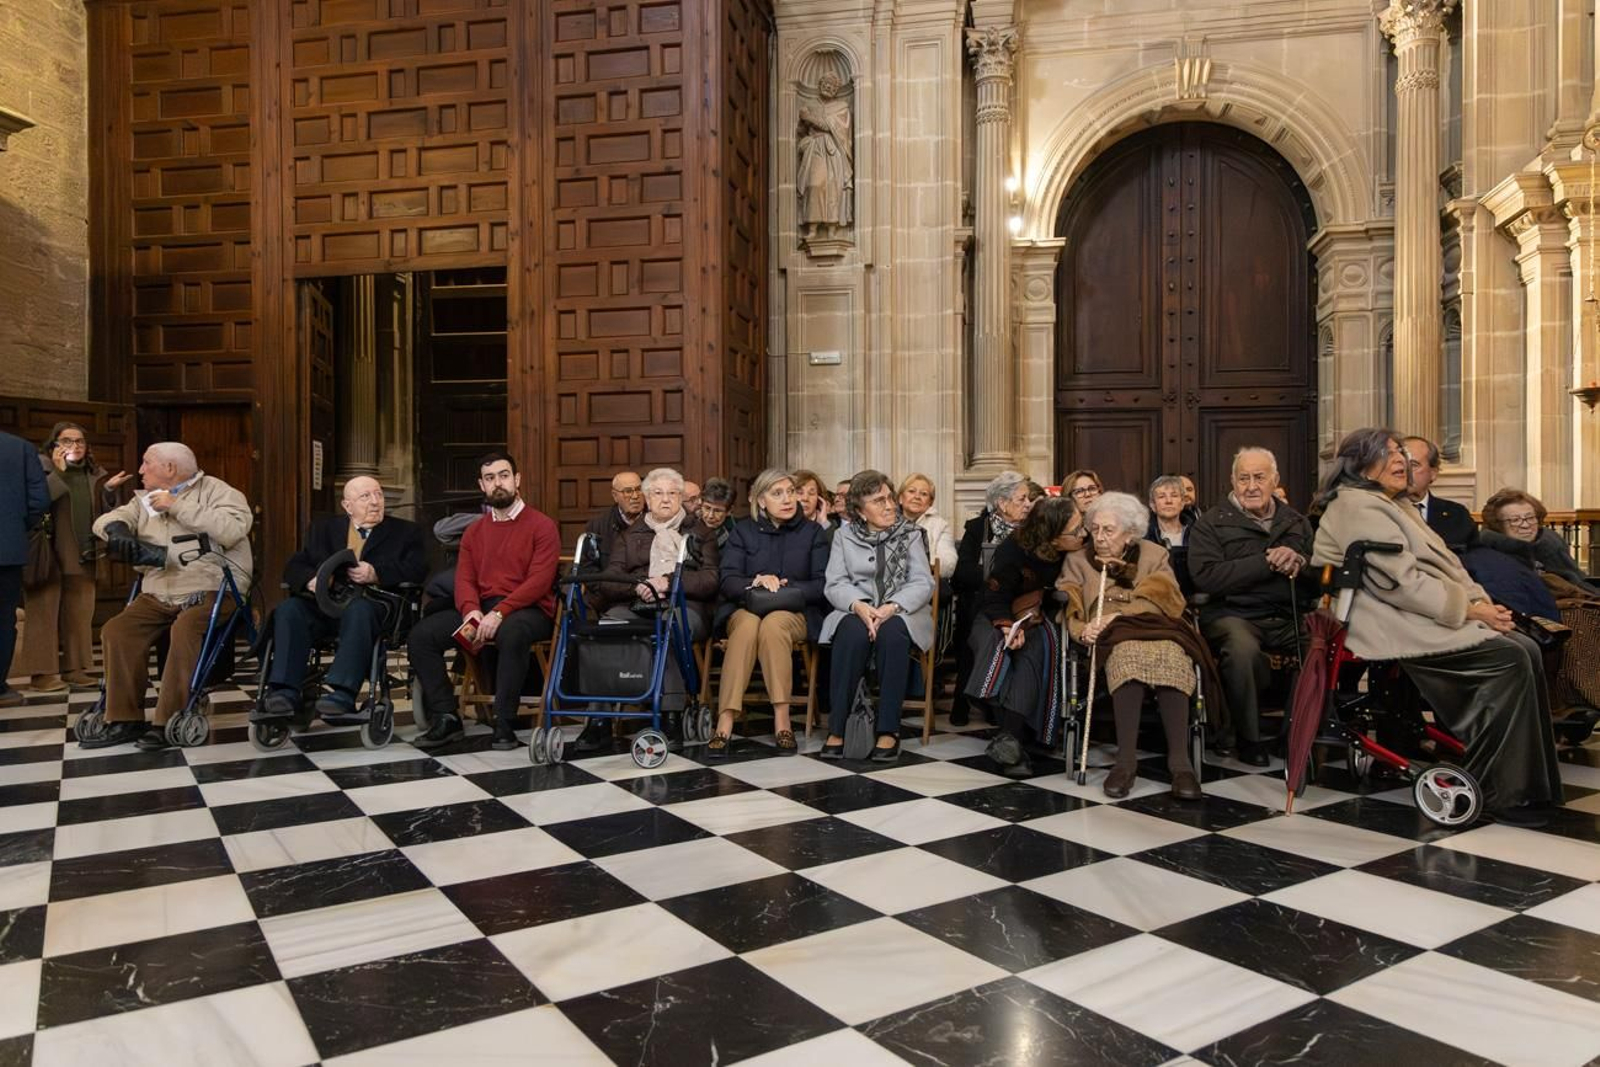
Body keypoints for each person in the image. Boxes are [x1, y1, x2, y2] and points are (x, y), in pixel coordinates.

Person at [1310, 428, 1562, 826]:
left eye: (1401, 453)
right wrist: (1473, 613)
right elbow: (1401, 585)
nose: (1400, 461)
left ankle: (1530, 787)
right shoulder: (1356, 506)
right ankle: (1496, 789)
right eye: (1389, 453)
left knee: (1526, 648)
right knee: (1509, 658)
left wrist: (1481, 603)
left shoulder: (1394, 503)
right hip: (1389, 620)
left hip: (1423, 612)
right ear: (1362, 464)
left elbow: (1451, 567)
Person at [83, 443, 252, 750]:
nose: (141, 470)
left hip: (213, 588)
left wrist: (175, 505)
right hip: (159, 591)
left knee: (185, 629)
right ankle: (124, 718)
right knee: (117, 631)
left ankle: (168, 719)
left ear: (170, 469)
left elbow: (231, 530)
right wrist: (118, 530)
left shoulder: (219, 492)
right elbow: (103, 522)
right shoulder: (144, 500)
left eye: (147, 463)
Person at [1060, 492, 1211, 800]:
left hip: (1157, 631)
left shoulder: (1154, 555)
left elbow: (1165, 600)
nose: (1099, 537)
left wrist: (1117, 615)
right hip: (1112, 641)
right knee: (1126, 655)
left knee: (1173, 658)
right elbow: (1070, 609)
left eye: (1109, 530)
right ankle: (1125, 762)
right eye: (1095, 529)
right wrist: (1082, 630)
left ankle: (1180, 764)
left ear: (1130, 533)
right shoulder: (1077, 561)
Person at [407, 452, 560, 751]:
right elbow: (464, 579)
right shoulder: (475, 531)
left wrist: (500, 613)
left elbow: (539, 582)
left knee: (511, 632)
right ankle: (447, 717)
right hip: (483, 606)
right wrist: (471, 611)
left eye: (504, 476)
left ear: (516, 480)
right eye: (490, 478)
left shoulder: (541, 525)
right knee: (421, 636)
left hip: (529, 609)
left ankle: (503, 723)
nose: (497, 483)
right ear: (481, 485)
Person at [258, 476, 428, 722]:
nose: (375, 502)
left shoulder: (405, 531)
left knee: (360, 610)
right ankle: (284, 691)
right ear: (347, 506)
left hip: (374, 607)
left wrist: (376, 573)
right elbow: (295, 565)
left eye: (378, 494)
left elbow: (418, 569)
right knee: (289, 609)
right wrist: (310, 579)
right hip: (327, 606)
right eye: (365, 497)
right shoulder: (324, 529)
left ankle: (342, 694)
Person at [1188, 447, 1314, 764]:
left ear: (1275, 480)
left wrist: (1298, 562)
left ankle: (1293, 735)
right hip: (1233, 615)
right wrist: (1266, 562)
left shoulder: (1296, 522)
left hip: (1288, 614)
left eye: (1259, 477)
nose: (1251, 486)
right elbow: (1208, 578)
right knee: (1242, 650)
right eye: (1243, 478)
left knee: (1320, 647)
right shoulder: (1212, 524)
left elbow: (1320, 575)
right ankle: (1248, 737)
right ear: (1232, 481)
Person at [582, 467, 720, 750]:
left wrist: (667, 583)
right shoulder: (631, 533)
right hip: (636, 602)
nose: (666, 499)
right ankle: (599, 719)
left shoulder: (699, 532)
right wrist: (638, 585)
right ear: (647, 497)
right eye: (658, 493)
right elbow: (610, 580)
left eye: (672, 493)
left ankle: (670, 713)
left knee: (667, 628)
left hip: (683, 605)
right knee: (609, 627)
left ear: (681, 497)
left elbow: (710, 579)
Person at [712, 468, 829, 756]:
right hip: (747, 606)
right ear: (761, 501)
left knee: (774, 625)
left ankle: (782, 719)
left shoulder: (813, 532)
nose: (788, 499)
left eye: (791, 492)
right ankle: (725, 719)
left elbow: (823, 583)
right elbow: (727, 579)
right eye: (778, 494)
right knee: (749, 626)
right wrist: (755, 581)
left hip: (795, 611)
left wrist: (791, 587)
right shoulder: (743, 530)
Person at [819, 470, 934, 762]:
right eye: (878, 501)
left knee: (892, 634)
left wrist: (892, 606)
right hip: (857, 608)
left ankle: (888, 729)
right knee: (851, 633)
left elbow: (922, 581)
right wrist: (858, 605)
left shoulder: (910, 534)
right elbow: (835, 583)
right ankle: (839, 727)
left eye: (889, 498)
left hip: (902, 611)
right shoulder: (843, 536)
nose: (889, 505)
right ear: (859, 510)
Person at [966, 496, 1079, 777]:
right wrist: (1007, 626)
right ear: (1051, 535)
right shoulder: (1014, 549)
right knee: (998, 647)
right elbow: (994, 597)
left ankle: (1009, 738)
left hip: (1038, 617)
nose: (1083, 535)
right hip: (995, 614)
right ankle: (1013, 740)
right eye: (1075, 531)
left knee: (1037, 648)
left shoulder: (1075, 551)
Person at [16, 423, 130, 694]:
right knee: (43, 614)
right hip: (49, 553)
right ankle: (42, 674)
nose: (75, 446)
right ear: (53, 444)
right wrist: (58, 473)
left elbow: (102, 513)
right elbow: (35, 504)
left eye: (80, 441)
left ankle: (75, 669)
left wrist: (109, 492)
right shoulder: (39, 468)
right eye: (67, 441)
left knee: (79, 614)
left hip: (85, 551)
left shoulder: (92, 472)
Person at [1479, 488, 1600, 716]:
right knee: (1571, 622)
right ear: (1498, 525)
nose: (1525, 525)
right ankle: (1570, 700)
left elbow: (1575, 580)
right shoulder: (1491, 552)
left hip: (1563, 605)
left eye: (1529, 518)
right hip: (1519, 615)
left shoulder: (1549, 546)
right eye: (1514, 520)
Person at [951, 470, 1033, 724]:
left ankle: (997, 699)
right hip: (980, 600)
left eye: (1028, 499)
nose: (1028, 504)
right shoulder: (978, 528)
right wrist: (997, 578)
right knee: (976, 620)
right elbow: (962, 572)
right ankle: (971, 698)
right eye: (1022, 499)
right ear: (1002, 503)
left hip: (1020, 601)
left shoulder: (1032, 532)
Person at [0, 429, 50, 708]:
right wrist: (15, 528)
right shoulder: (19, 448)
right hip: (6, 548)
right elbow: (39, 502)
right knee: (3, 620)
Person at [1404, 436, 1476, 551]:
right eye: (1400, 464)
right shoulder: (1382, 510)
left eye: (1413, 465)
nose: (1404, 471)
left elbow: (1474, 556)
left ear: (1433, 473)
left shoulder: (1457, 514)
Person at [1145, 474, 1198, 597]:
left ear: (1182, 502)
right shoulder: (1144, 537)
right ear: (1153, 505)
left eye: (1174, 496)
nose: (1168, 501)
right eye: (1162, 496)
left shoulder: (1198, 533)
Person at [898, 472, 957, 575]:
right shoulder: (886, 521)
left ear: (930, 502)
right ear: (900, 498)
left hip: (926, 580)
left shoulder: (940, 525)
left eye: (924, 494)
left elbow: (948, 565)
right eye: (911, 491)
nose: (917, 496)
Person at [583, 470, 643, 567]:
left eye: (639, 489)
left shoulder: (655, 521)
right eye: (628, 491)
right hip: (610, 580)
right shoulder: (597, 526)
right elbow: (588, 567)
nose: (635, 496)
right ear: (615, 496)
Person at [699, 477, 737, 548]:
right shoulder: (689, 525)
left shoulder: (737, 534)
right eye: (707, 508)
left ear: (729, 511)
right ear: (700, 503)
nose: (710, 516)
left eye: (717, 511)